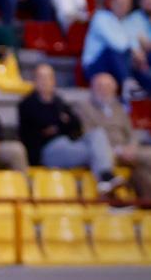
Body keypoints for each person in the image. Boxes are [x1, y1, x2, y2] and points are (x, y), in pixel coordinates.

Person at [18, 63, 122, 194]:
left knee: (97, 134)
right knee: (101, 151)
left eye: (48, 77)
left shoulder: (59, 102)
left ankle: (106, 177)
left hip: (68, 144)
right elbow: (37, 130)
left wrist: (58, 126)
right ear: (34, 81)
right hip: (46, 152)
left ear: (54, 81)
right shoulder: (27, 104)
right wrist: (61, 124)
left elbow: (75, 125)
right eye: (41, 77)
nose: (45, 81)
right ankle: (105, 177)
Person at [76, 73, 151, 200]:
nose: (104, 90)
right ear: (92, 88)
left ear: (114, 89)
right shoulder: (84, 108)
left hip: (126, 149)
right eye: (100, 86)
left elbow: (131, 133)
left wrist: (131, 147)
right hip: (105, 152)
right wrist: (117, 150)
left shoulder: (119, 108)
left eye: (108, 86)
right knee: (102, 153)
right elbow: (88, 134)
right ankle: (114, 194)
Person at [81, 0, 151, 93]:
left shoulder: (129, 23)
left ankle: (137, 95)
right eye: (120, 2)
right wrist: (134, 51)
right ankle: (128, 83)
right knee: (113, 51)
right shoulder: (101, 17)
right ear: (112, 3)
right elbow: (118, 45)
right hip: (95, 67)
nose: (123, 6)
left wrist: (138, 55)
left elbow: (134, 45)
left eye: (126, 4)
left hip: (123, 65)